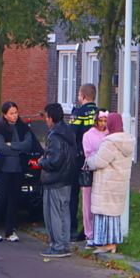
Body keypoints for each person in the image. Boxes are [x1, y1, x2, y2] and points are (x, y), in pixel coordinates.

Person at [0, 101, 40, 243]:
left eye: (16, 112)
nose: (14, 116)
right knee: (1, 197)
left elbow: (28, 144)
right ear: (5, 115)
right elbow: (1, 147)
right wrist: (18, 150)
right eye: (11, 113)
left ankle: (10, 231)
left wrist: (13, 146)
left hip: (18, 168)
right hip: (4, 168)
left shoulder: (23, 127)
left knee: (15, 199)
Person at [86, 112, 135, 254]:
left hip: (107, 182)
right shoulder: (127, 140)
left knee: (105, 214)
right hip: (119, 182)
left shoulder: (110, 141)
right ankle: (112, 242)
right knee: (113, 215)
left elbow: (99, 162)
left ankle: (107, 243)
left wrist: (89, 159)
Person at [38, 103, 77, 258]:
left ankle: (57, 246)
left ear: (51, 118)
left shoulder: (54, 136)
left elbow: (54, 161)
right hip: (67, 179)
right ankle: (65, 244)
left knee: (52, 213)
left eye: (46, 117)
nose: (46, 120)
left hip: (54, 180)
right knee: (64, 212)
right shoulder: (68, 132)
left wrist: (41, 161)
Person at [69, 83, 98, 242]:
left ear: (82, 96)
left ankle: (72, 227)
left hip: (80, 156)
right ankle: (92, 228)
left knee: (74, 192)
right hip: (98, 157)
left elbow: (71, 134)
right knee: (94, 193)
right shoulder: (100, 112)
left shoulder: (79, 113)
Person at [80, 109, 109, 246]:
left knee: (102, 204)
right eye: (100, 121)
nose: (103, 124)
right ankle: (89, 233)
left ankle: (101, 233)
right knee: (88, 203)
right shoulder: (88, 135)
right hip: (91, 172)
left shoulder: (110, 134)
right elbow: (88, 153)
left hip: (105, 174)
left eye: (105, 121)